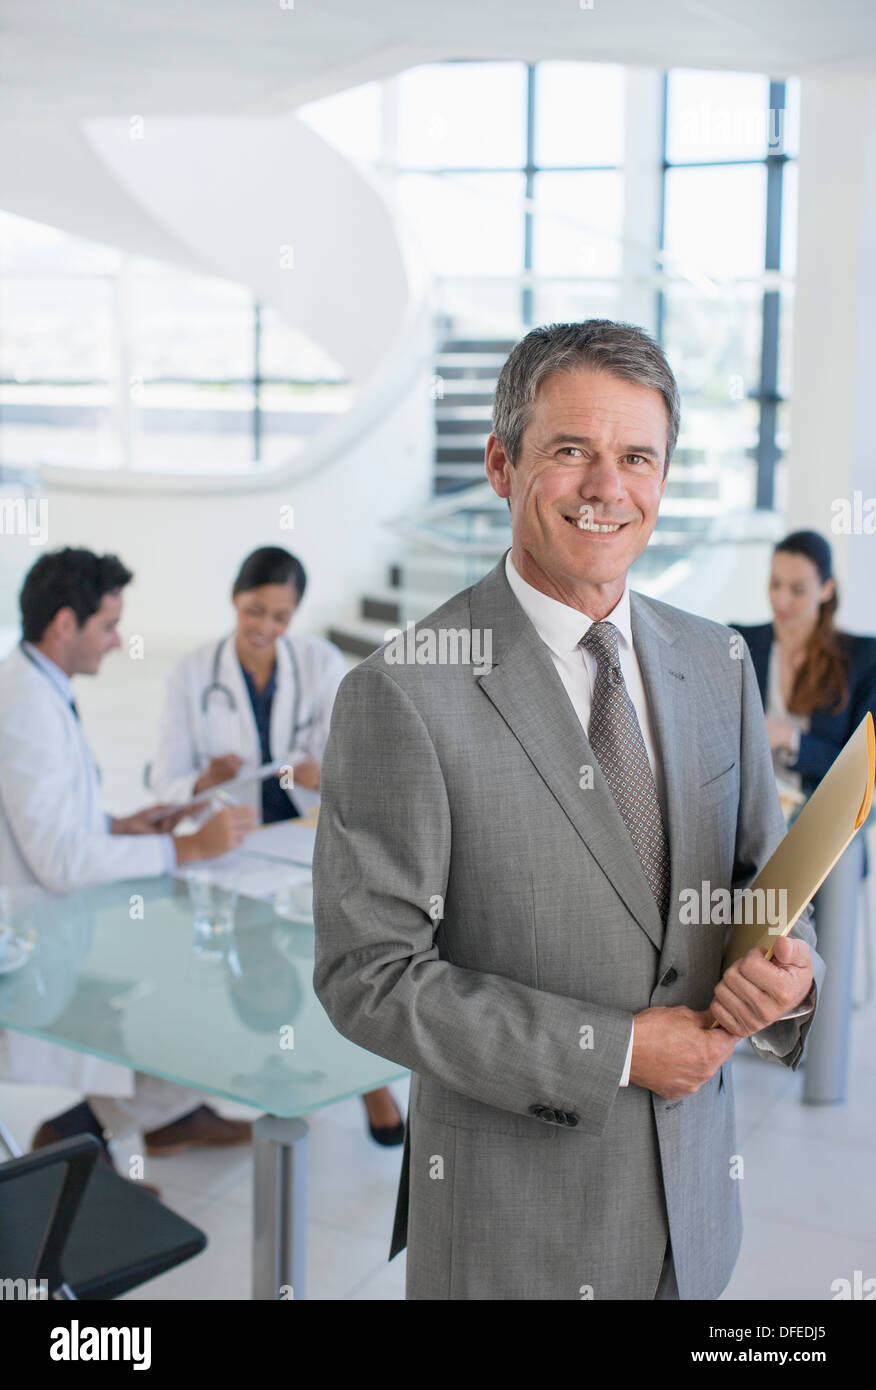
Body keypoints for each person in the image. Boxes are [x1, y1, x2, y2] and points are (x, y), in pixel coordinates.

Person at [312, 320, 825, 1300]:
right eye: (571, 452)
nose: (608, 487)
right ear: (503, 464)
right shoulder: (406, 691)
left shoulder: (719, 662)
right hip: (518, 1239)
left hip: (695, 1223)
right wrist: (624, 1050)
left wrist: (787, 983)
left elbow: (764, 893)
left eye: (637, 456)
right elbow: (368, 976)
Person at [0, 548, 257, 1176]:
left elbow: (49, 822)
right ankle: (105, 1134)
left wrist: (123, 824)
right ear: (65, 624)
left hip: (53, 914)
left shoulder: (38, 683)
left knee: (200, 956)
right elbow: (59, 861)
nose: (117, 642)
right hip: (35, 941)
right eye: (108, 626)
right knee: (203, 974)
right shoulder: (28, 706)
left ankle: (139, 1122)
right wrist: (185, 847)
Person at [148, 545, 405, 1146]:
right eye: (255, 611)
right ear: (236, 599)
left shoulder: (319, 663)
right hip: (229, 850)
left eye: (280, 617)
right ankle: (298, 1078)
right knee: (260, 961)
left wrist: (326, 773)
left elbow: (362, 761)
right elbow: (163, 780)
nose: (265, 627)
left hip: (301, 840)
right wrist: (205, 780)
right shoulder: (191, 673)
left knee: (338, 957)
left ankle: (367, 1079)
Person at [730, 530, 876, 804]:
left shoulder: (862, 657)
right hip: (748, 813)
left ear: (826, 589)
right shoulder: (738, 641)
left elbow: (864, 771)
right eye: (775, 584)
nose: (781, 600)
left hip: (820, 817)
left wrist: (790, 738)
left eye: (797, 590)